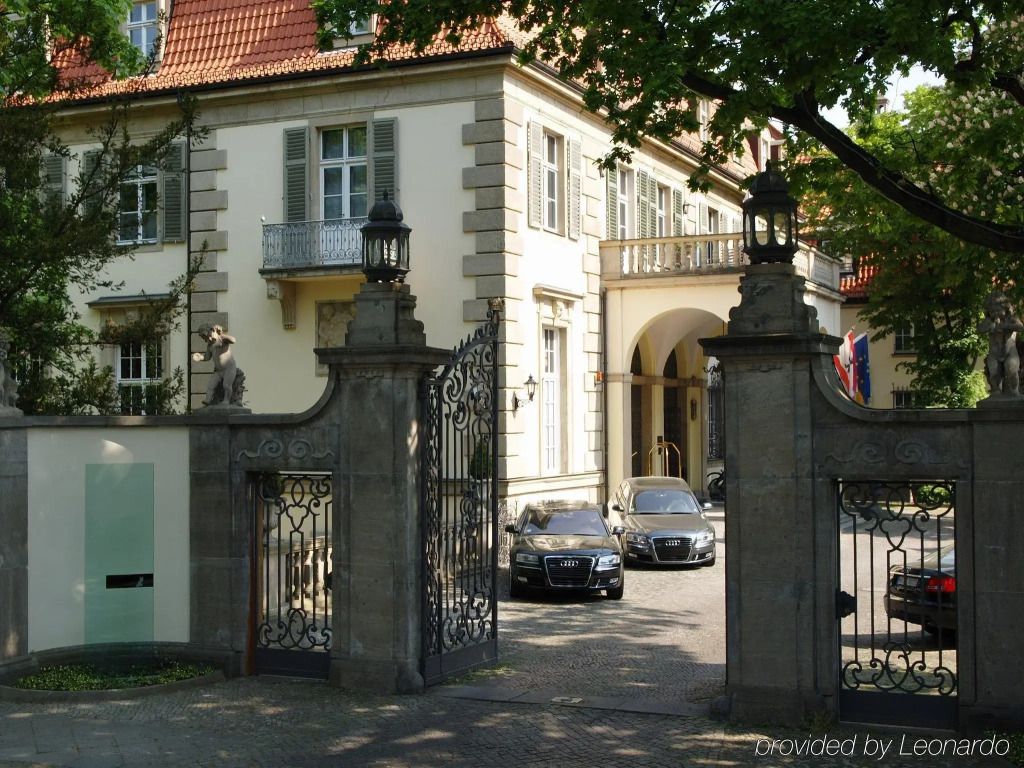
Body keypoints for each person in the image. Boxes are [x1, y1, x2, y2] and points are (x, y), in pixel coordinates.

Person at [978, 290, 1023, 397]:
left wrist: (1005, 326)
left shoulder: (1011, 319)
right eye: (992, 311)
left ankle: (1014, 391)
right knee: (994, 373)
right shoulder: (989, 321)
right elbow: (979, 329)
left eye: (998, 310)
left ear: (1006, 308)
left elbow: (1021, 327)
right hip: (994, 353)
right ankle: (996, 391)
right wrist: (989, 327)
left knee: (1012, 371)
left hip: (1010, 352)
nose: (995, 313)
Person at [192, 324, 241, 406]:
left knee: (226, 385)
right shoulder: (210, 346)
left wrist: (222, 335)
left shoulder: (222, 339)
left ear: (211, 332)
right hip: (218, 371)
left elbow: (233, 340)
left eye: (207, 336)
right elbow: (207, 357)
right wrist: (200, 357)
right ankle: (208, 399)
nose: (208, 339)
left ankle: (226, 400)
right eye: (205, 338)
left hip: (229, 368)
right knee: (211, 385)